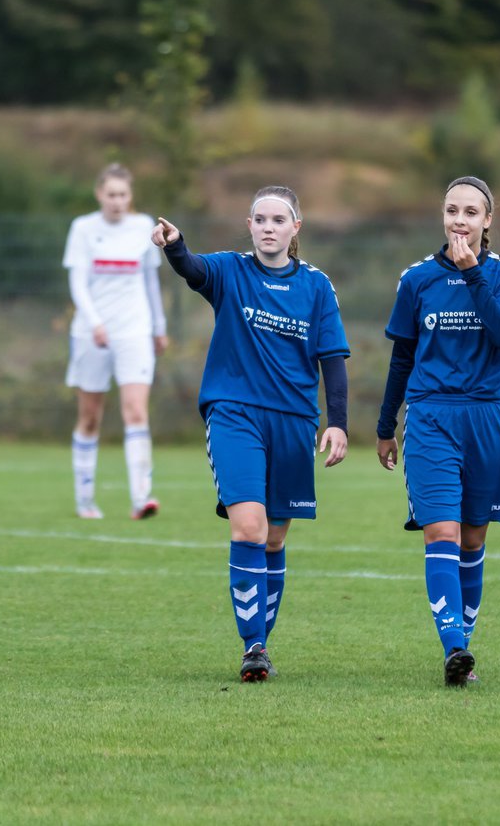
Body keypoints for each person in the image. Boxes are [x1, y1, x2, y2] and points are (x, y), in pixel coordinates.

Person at [151, 186, 349, 683]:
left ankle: (260, 641)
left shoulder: (317, 286)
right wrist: (176, 245)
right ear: (250, 224)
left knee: (275, 539)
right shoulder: (231, 271)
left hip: (294, 421)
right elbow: (194, 270)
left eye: (278, 219)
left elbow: (333, 360)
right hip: (234, 413)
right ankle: (253, 647)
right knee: (249, 529)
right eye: (259, 219)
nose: (267, 227)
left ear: (295, 228)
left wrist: (338, 422)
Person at [376, 176, 500, 687]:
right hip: (430, 416)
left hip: (487, 417)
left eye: (469, 212)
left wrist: (473, 274)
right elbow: (401, 357)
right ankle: (454, 648)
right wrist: (384, 425)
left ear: (488, 220)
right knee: (440, 531)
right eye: (451, 210)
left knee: (473, 537)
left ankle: (461, 646)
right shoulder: (417, 279)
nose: (459, 220)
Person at [64, 163, 168, 521]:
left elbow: (151, 282)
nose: (117, 201)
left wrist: (159, 327)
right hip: (91, 333)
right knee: (90, 416)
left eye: (123, 195)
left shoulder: (143, 228)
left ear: (130, 196)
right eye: (111, 195)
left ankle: (142, 498)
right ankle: (85, 500)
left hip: (133, 331)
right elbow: (78, 283)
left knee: (136, 411)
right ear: (99, 195)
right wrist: (95, 323)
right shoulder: (83, 229)